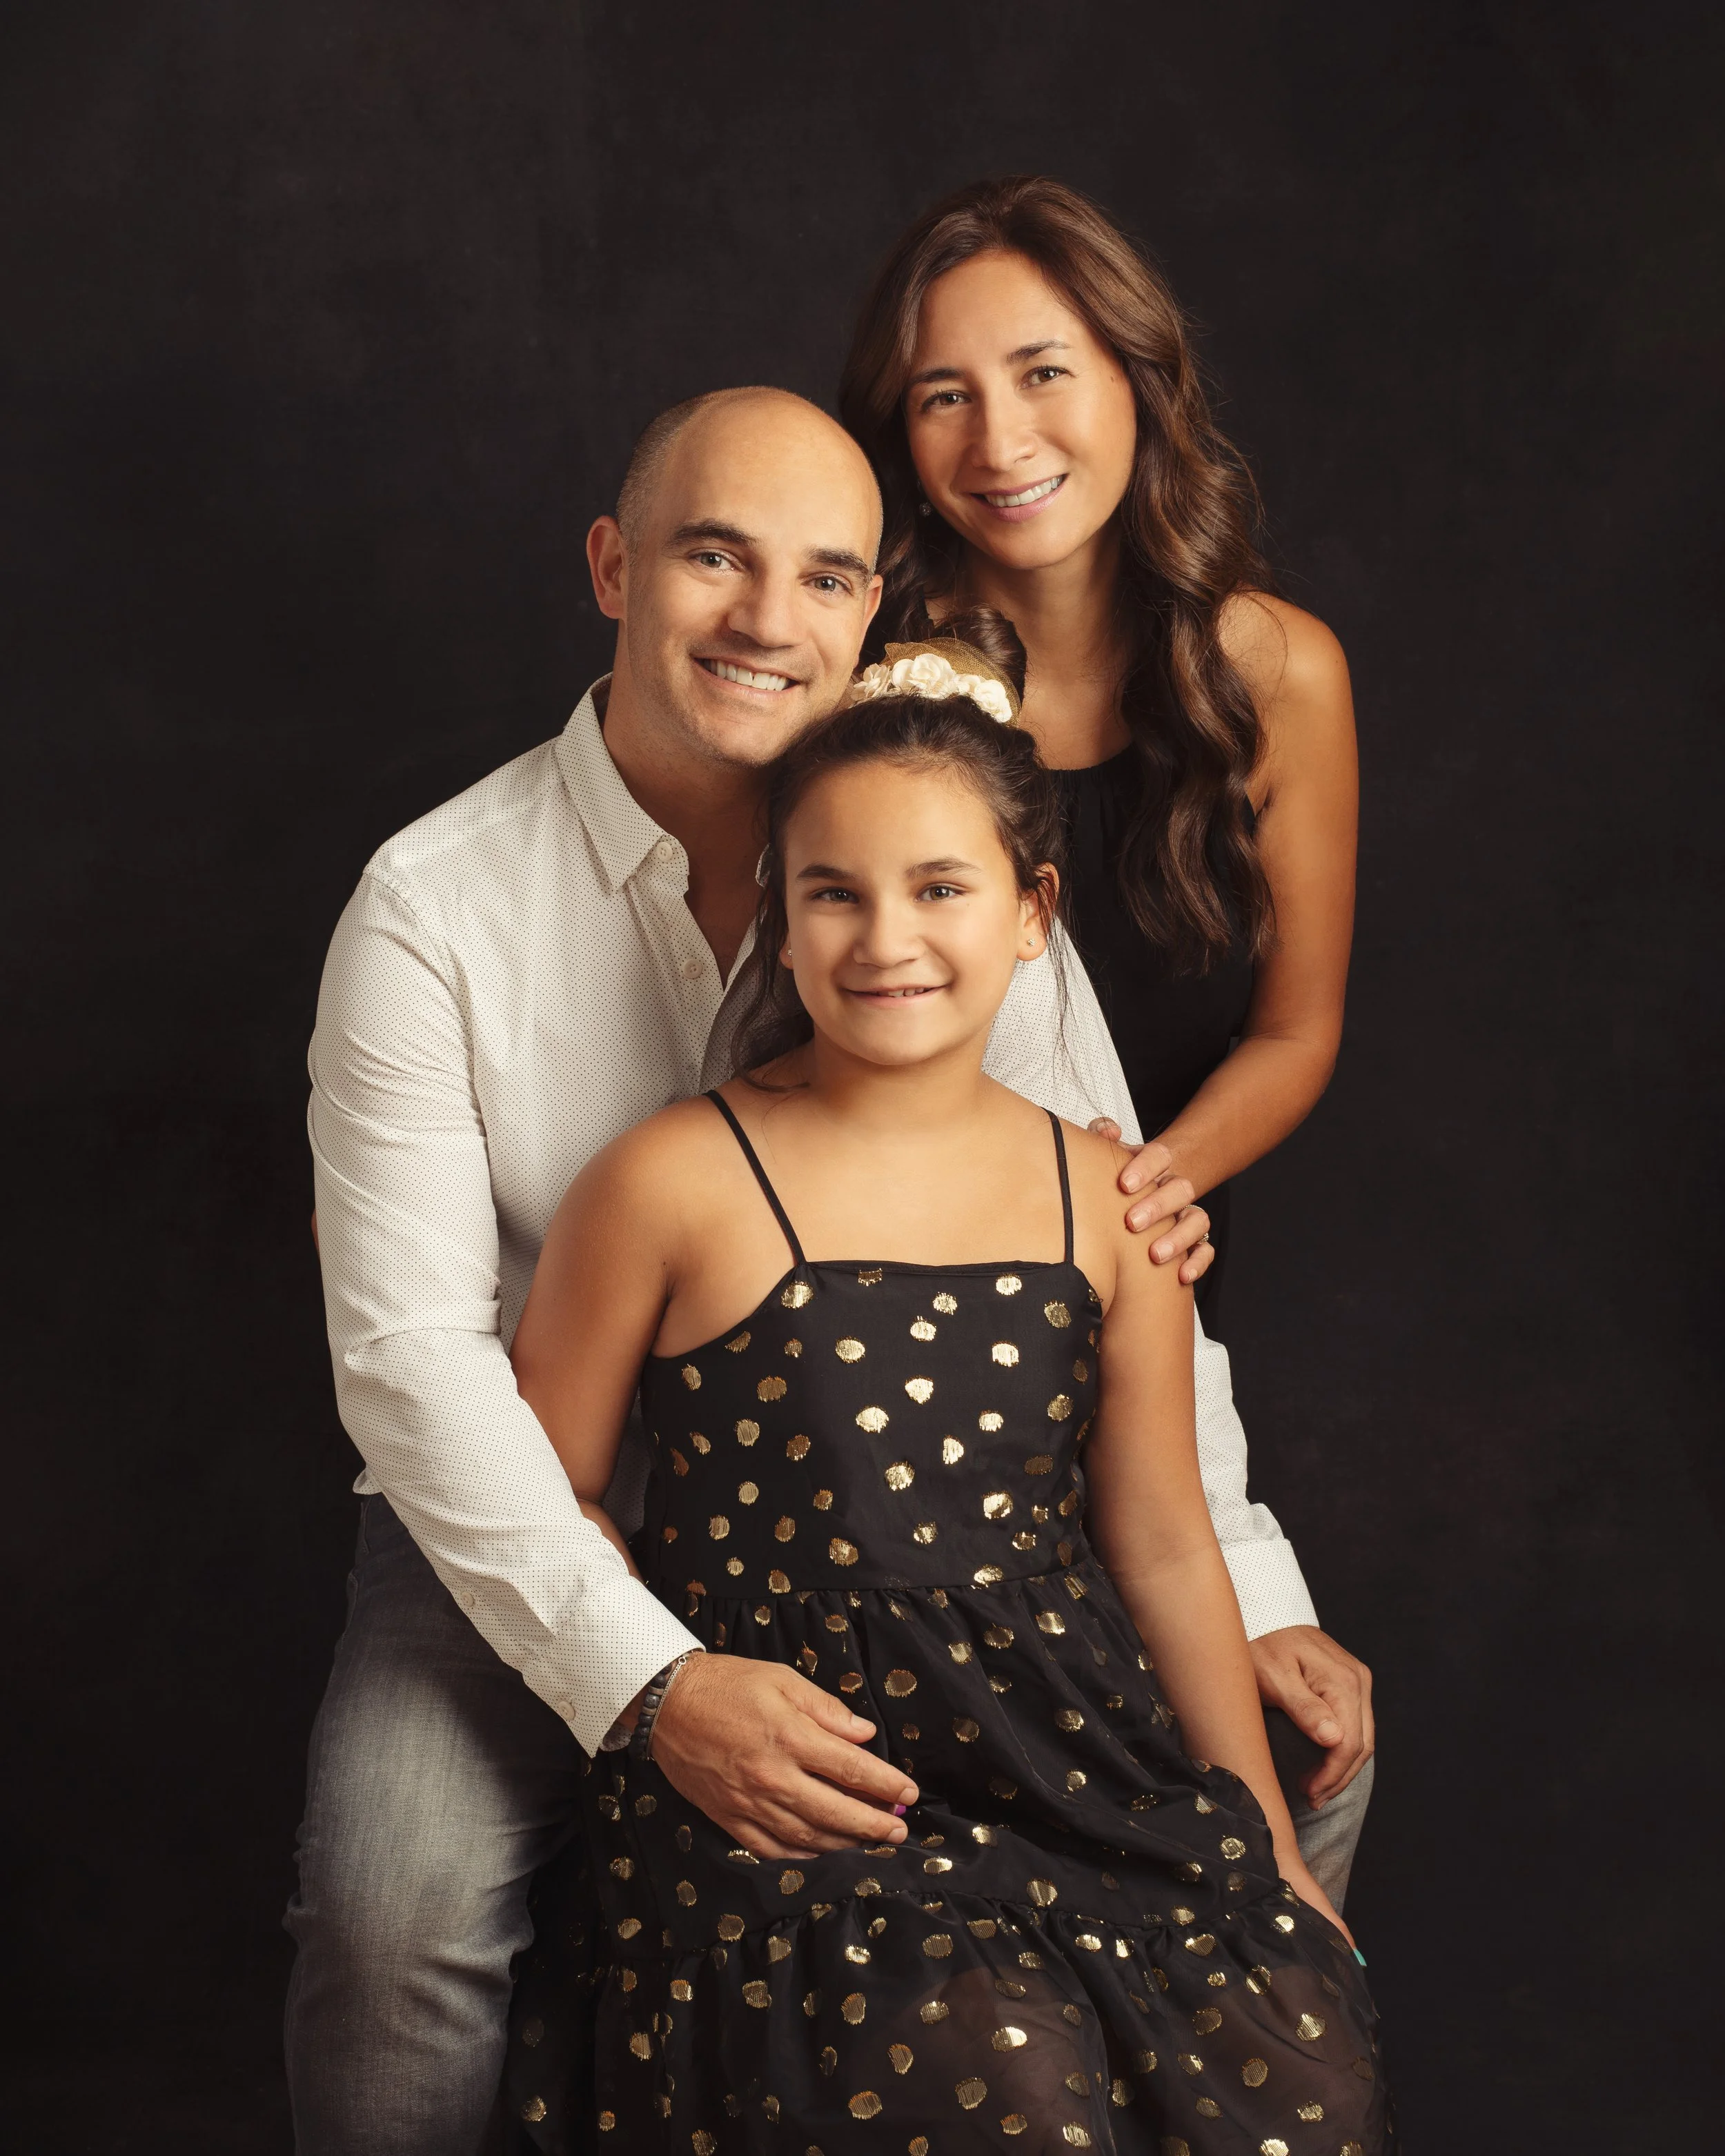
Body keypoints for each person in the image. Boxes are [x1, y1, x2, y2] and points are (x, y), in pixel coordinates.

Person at [288, 387, 1331, 2155]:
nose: (770, 620)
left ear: (872, 610)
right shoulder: (434, 905)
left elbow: (1121, 1245)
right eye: (713, 557)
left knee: (1277, 1788)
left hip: (903, 1518)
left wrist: (1251, 1575)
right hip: (531, 1500)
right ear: (614, 569)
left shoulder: (933, 859)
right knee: (399, 1913)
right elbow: (411, 1366)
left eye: (826, 576)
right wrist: (646, 1674)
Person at [505, 642, 1390, 2153]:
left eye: (939, 887)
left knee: (1294, 2070)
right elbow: (539, 1495)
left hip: (1063, 1751)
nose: (883, 938)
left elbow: (1166, 1540)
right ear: (776, 927)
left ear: (1032, 913)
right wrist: (661, 1692)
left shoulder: (1109, 1198)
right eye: (831, 892)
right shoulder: (665, 1180)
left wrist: (1261, 1844)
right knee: (993, 2075)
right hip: (805, 1780)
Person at [840, 176, 1372, 1830]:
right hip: (928, 1289)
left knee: (1277, 1774)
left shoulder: (1278, 671)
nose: (997, 436)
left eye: (1041, 369)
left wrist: (1156, 1182)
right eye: (942, 394)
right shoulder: (875, 676)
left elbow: (1294, 1029)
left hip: (1168, 1267)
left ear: (1139, 379)